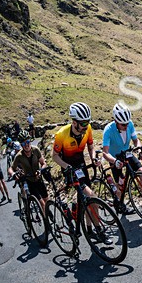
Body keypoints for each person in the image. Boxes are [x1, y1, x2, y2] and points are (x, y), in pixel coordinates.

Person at [52, 102, 109, 243]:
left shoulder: (87, 129)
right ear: (74, 122)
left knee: (87, 200)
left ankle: (88, 229)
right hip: (69, 169)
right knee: (91, 196)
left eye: (87, 122)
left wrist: (94, 157)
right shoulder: (61, 135)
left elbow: (90, 146)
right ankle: (99, 230)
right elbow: (54, 156)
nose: (86, 126)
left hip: (81, 166)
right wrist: (66, 166)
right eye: (83, 123)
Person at [101, 104, 142, 214]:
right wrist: (114, 161)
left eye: (127, 123)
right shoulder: (108, 130)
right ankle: (120, 204)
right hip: (115, 158)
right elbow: (105, 153)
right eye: (123, 124)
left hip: (127, 153)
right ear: (116, 121)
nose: (126, 126)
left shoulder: (129, 124)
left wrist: (139, 149)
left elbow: (136, 140)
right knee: (120, 185)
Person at [7, 138, 48, 215]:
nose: (26, 145)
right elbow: (11, 168)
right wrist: (13, 174)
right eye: (23, 143)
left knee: (47, 200)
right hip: (30, 181)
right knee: (42, 203)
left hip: (39, 178)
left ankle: (47, 214)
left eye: (28, 142)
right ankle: (46, 223)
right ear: (21, 145)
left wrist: (41, 170)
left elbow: (43, 163)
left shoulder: (36, 150)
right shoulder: (19, 156)